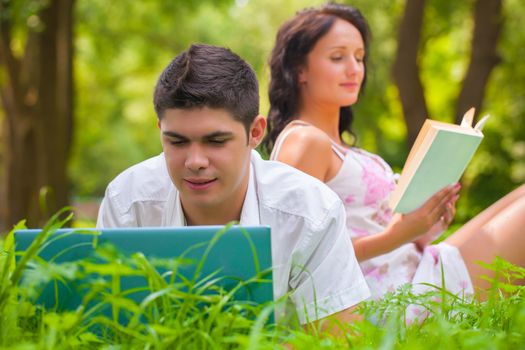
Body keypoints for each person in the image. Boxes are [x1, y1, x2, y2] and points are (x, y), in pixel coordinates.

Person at [263, 3, 525, 312]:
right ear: (299, 69)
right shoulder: (305, 141)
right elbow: (290, 258)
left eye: (359, 58)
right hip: (388, 298)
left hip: (415, 267)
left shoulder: (339, 146)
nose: (354, 69)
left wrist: (424, 225)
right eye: (338, 57)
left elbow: (379, 230)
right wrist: (395, 236)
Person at [97, 43, 370, 331]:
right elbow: (106, 328)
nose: (195, 161)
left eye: (215, 141)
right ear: (160, 132)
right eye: (176, 141)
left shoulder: (311, 211)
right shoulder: (127, 200)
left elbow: (339, 335)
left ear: (255, 132)